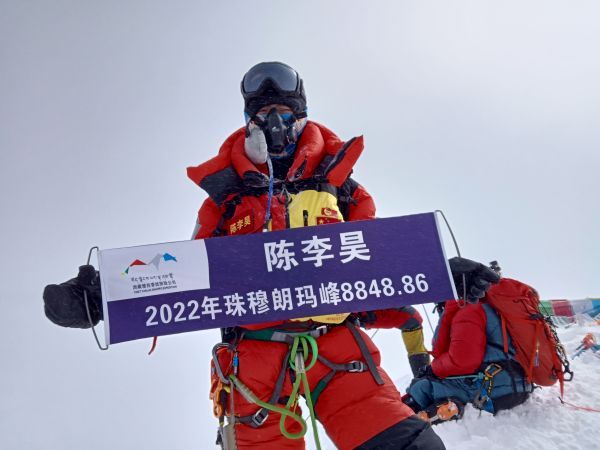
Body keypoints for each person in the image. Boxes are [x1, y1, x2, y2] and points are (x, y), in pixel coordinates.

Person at [44, 62, 500, 449]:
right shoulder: (225, 198)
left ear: (302, 114)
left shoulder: (341, 189)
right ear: (249, 122)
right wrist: (103, 298)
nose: (275, 122)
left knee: (408, 446)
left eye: (284, 112)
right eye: (263, 114)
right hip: (253, 361)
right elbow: (188, 274)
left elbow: (374, 264)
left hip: (338, 349)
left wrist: (440, 275)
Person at [402, 268, 533, 424]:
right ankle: (443, 408)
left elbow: (463, 361)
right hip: (517, 384)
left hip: (493, 389)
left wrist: (433, 369)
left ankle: (429, 412)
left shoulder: (469, 310)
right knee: (430, 383)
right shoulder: (491, 307)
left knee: (423, 387)